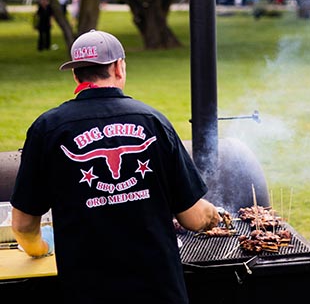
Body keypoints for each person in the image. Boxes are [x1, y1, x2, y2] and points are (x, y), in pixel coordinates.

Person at [10, 29, 221, 304]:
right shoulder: (153, 121)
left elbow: (23, 225)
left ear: (76, 75)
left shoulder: (48, 130)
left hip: (87, 292)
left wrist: (38, 249)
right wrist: (214, 215)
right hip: (159, 291)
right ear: (119, 67)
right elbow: (193, 218)